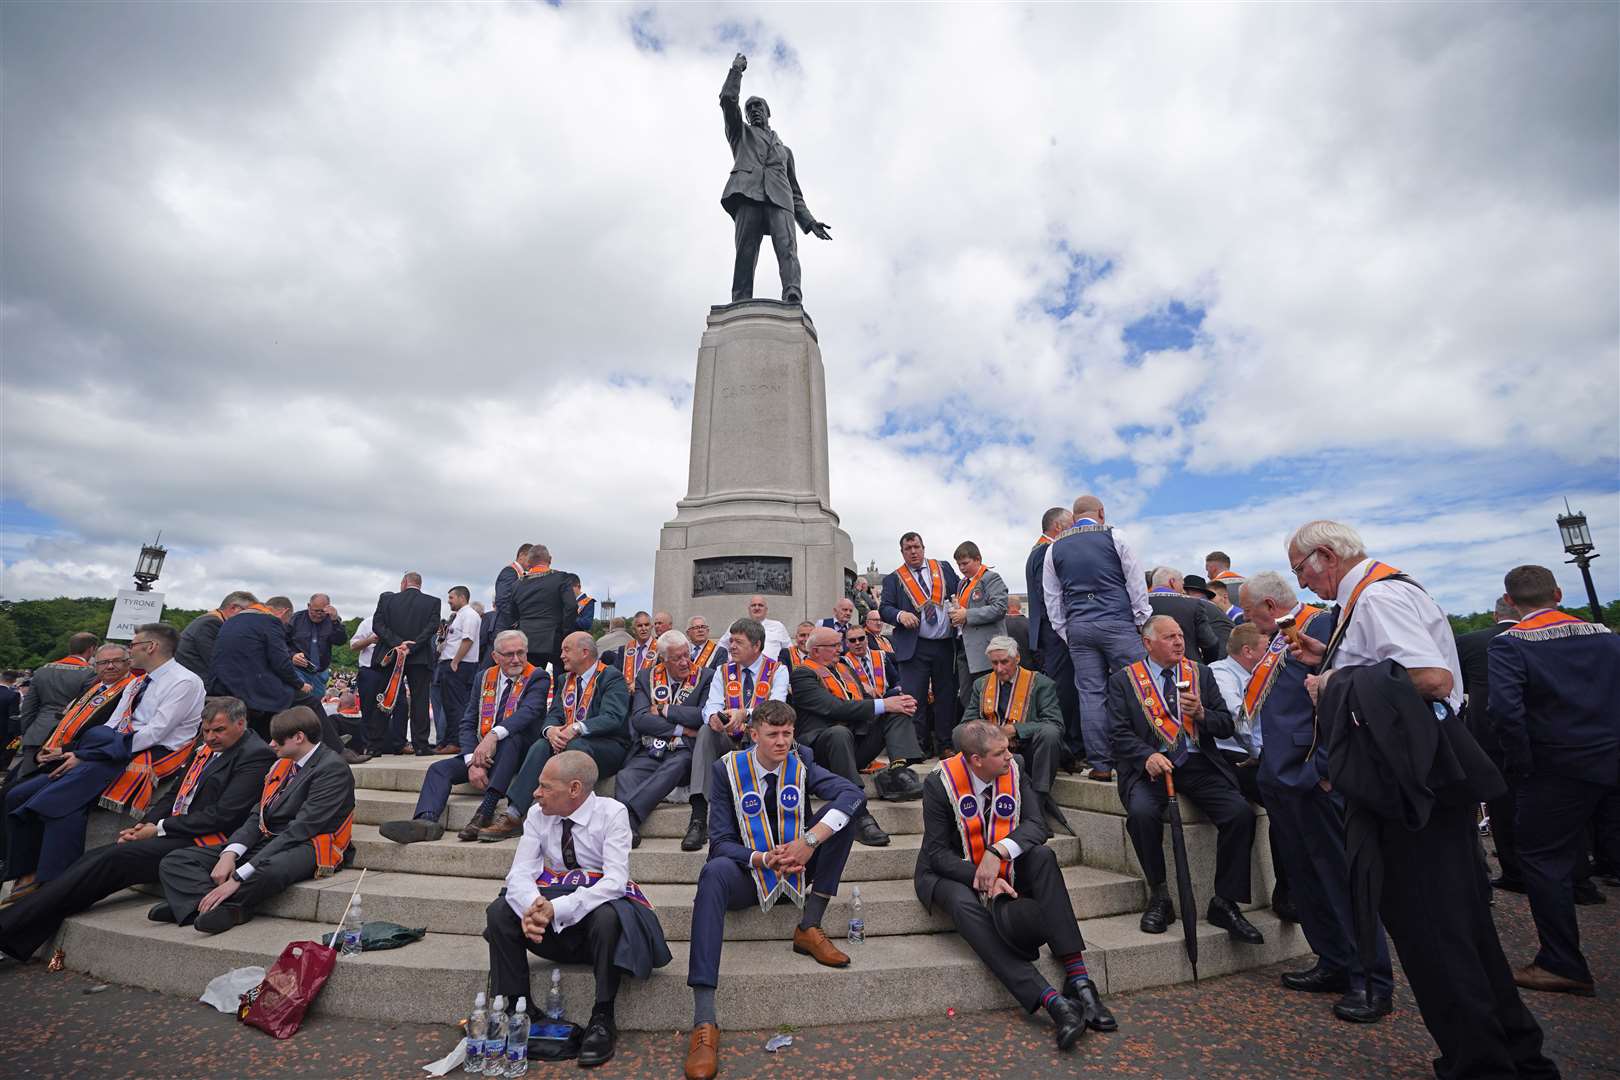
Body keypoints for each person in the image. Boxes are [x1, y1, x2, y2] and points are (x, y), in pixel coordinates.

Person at [1287, 520, 1553, 1078]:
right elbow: (1391, 673)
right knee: (1464, 930)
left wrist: (1332, 684)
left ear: (1327, 555)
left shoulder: (1377, 597)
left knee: (1433, 936)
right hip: (1425, 779)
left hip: (1409, 787)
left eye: (1300, 569)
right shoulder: (1384, 592)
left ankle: (1480, 1065)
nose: (1303, 584)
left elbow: (1429, 678)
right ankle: (1517, 1053)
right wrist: (1330, 660)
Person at [0, 697, 273, 959]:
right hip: (177, 831)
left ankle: (8, 930)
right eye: (207, 730)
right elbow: (173, 794)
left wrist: (158, 829)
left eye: (219, 730)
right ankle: (16, 931)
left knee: (108, 861)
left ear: (241, 723)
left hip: (208, 842)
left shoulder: (255, 755)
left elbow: (224, 815)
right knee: (93, 859)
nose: (211, 737)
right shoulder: (207, 748)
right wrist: (146, 823)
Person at [1238, 571, 1394, 1022]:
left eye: (1250, 612)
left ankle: (1371, 980)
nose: (1248, 620)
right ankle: (1334, 962)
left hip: (1313, 779)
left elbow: (1345, 700)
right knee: (1306, 880)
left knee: (1343, 883)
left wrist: (1325, 770)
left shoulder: (1322, 627)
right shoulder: (1276, 638)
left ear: (1269, 605)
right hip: (1281, 778)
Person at [682, 700, 861, 1080]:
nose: (781, 742)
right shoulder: (726, 769)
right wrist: (763, 858)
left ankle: (808, 925)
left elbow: (851, 793)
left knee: (843, 821)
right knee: (712, 873)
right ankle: (704, 1021)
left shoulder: (802, 759)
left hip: (798, 865)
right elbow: (720, 842)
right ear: (753, 734)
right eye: (772, 734)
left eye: (787, 733)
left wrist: (809, 842)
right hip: (751, 872)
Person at [915, 720, 1115, 1050]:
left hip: (1000, 857)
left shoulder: (1015, 767)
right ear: (975, 760)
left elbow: (1037, 825)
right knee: (962, 903)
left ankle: (1078, 980)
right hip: (952, 871)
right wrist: (984, 878)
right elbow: (937, 853)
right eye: (1000, 753)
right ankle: (1052, 1001)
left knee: (1043, 858)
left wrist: (997, 852)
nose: (1010, 756)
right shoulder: (940, 782)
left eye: (1008, 749)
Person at [484, 750, 671, 1070]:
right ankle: (519, 1007)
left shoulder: (612, 813)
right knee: (500, 911)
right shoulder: (536, 814)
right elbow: (519, 874)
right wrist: (533, 909)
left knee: (608, 914)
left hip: (597, 934)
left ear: (574, 789)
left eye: (545, 786)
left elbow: (614, 882)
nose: (535, 792)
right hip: (551, 928)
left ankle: (602, 1018)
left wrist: (555, 908)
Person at [1489, 564, 1620, 997]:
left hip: (1556, 764)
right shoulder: (1605, 636)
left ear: (1510, 602)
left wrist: (1521, 763)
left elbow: (1506, 711)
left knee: (1544, 859)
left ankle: (1562, 960)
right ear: (1559, 593)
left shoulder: (1511, 643)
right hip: (1610, 754)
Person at [5, 624, 206, 893]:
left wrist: (90, 752)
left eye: (133, 645)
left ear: (151, 647)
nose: (129, 650)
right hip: (114, 748)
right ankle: (23, 868)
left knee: (54, 801)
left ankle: (48, 878)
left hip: (152, 754)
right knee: (18, 795)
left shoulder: (185, 681)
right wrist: (85, 751)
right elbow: (112, 724)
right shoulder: (138, 681)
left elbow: (156, 733)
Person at [1107, 615, 1262, 945]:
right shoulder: (1125, 680)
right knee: (1143, 815)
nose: (1179, 642)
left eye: (1180, 636)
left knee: (1239, 813)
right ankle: (1160, 895)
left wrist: (1203, 715)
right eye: (1169, 637)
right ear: (1148, 643)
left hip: (1196, 760)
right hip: (1151, 764)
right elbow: (1117, 733)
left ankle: (1225, 900)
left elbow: (1225, 725)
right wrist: (1144, 756)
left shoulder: (1199, 674)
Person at [156, 705, 355, 933]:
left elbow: (303, 827)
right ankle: (204, 906)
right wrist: (230, 853)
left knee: (270, 870)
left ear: (299, 737)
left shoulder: (332, 768)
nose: (271, 745)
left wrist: (239, 875)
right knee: (176, 860)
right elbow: (257, 814)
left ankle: (204, 905)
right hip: (271, 836)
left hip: (311, 842)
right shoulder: (282, 762)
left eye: (278, 740)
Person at [380, 631, 550, 845]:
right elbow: (468, 721)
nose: (516, 659)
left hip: (519, 750)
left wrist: (493, 736)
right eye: (509, 654)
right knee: (438, 769)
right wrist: (471, 761)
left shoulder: (538, 676)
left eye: (520, 653)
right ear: (496, 657)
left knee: (510, 739)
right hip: (484, 753)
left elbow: (529, 712)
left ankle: (485, 812)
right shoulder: (484, 677)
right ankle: (425, 822)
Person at [480, 632, 631, 843]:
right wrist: (551, 730)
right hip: (569, 742)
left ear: (585, 652)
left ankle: (568, 817)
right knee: (541, 745)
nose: (561, 656)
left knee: (576, 746)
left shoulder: (611, 676)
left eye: (566, 650)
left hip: (607, 746)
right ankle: (514, 814)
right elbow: (555, 714)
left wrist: (576, 728)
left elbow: (613, 717)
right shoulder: (564, 679)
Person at [1043, 496, 1151, 782]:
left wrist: (1066, 631)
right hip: (1118, 622)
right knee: (1140, 685)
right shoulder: (1116, 536)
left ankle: (1101, 764)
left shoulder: (1054, 547)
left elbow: (1052, 598)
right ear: (1101, 513)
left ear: (1075, 517)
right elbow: (1135, 582)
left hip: (1079, 627)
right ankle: (1150, 754)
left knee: (1091, 694)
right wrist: (1141, 621)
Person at [718, 52, 832, 306]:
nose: (754, 111)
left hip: (780, 200)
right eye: (749, 109)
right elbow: (727, 100)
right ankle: (740, 301)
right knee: (745, 253)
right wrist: (736, 70)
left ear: (769, 112)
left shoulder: (785, 151)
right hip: (748, 195)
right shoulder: (741, 134)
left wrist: (809, 221)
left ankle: (792, 294)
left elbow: (795, 191)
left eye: (758, 107)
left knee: (788, 249)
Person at [790, 626, 921, 846]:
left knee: (897, 710)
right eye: (833, 646)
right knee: (840, 732)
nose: (839, 650)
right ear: (815, 651)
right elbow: (832, 708)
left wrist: (892, 705)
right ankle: (858, 813)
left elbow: (860, 703)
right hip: (823, 752)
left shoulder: (844, 669)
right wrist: (882, 704)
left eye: (838, 645)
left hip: (853, 744)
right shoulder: (802, 674)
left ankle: (898, 771)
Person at [210, 593, 359, 763]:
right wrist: (299, 684)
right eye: (285, 622)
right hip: (250, 685)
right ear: (283, 613)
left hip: (224, 684)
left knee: (270, 709)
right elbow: (280, 662)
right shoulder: (270, 621)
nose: (285, 626)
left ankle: (268, 756)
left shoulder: (233, 621)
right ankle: (338, 751)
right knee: (309, 702)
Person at [682, 618, 788, 853]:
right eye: (731, 641)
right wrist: (713, 718)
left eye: (738, 642)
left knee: (770, 730)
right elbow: (711, 704)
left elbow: (777, 707)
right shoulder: (723, 670)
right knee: (705, 730)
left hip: (759, 742)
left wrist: (745, 714)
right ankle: (699, 817)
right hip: (728, 739)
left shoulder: (777, 670)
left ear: (757, 645)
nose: (731, 647)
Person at [1208, 623, 1291, 919]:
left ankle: (1290, 888)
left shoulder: (1265, 674)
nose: (1269, 654)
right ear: (1247, 651)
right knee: (1276, 796)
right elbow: (1237, 717)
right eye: (1264, 649)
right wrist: (1262, 755)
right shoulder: (1221, 673)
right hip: (1231, 756)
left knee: (1291, 800)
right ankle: (1282, 894)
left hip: (1261, 755)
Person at [615, 631, 717, 847]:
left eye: (686, 655)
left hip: (684, 753)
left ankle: (628, 818)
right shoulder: (646, 677)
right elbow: (641, 719)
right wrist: (682, 728)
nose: (685, 662)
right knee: (626, 775)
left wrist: (664, 709)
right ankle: (630, 829)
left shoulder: (706, 676)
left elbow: (701, 714)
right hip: (651, 748)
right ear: (663, 659)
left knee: (675, 765)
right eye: (677, 658)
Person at [961, 636, 1071, 833]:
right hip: (992, 752)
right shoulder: (981, 684)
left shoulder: (1041, 683)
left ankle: (1038, 799)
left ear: (1017, 658)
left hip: (1030, 749)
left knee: (1050, 733)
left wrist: (1016, 730)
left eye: (1004, 662)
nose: (999, 668)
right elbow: (967, 722)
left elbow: (1055, 723)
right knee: (958, 733)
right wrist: (991, 734)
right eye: (994, 663)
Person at [1458, 595, 1528, 891]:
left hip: (1488, 732)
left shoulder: (1472, 641)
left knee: (1501, 802)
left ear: (1495, 615)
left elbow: (1457, 684)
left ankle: (1514, 870)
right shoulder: (1534, 638)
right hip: (1541, 732)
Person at [880, 532, 962, 757]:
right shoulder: (894, 578)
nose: (913, 551)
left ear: (923, 548)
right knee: (914, 698)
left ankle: (945, 744)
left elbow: (958, 594)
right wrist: (899, 615)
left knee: (946, 696)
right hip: (914, 647)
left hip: (945, 644)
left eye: (916, 547)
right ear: (902, 552)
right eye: (908, 548)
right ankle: (917, 745)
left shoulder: (943, 568)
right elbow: (884, 608)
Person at [11, 644, 134, 783]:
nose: (110, 666)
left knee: (18, 793)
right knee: (13, 789)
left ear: (129, 663)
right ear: (92, 653)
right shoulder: (92, 683)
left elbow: (29, 707)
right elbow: (68, 718)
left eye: (116, 661)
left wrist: (26, 732)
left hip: (72, 755)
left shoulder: (131, 689)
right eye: (104, 662)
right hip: (49, 745)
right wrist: (42, 750)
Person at [1027, 507, 1084, 764]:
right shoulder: (1047, 551)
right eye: (1072, 524)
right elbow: (1048, 595)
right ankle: (1066, 747)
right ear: (1059, 527)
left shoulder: (1038, 551)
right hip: (1055, 633)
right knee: (1063, 691)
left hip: (1050, 633)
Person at [371, 572, 442, 757]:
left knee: (384, 696)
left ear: (404, 583)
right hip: (419, 656)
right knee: (420, 700)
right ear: (420, 584)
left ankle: (374, 745)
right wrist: (412, 645)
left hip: (392, 654)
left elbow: (377, 625)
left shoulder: (387, 601)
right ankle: (421, 745)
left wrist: (397, 643)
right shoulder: (433, 602)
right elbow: (432, 628)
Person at [13, 632, 99, 774]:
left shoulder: (43, 670)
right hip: (67, 738)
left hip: (37, 732)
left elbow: (29, 707)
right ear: (91, 649)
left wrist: (27, 731)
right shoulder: (90, 673)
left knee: (23, 780)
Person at [950, 540, 1009, 710]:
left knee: (991, 698)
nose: (961, 568)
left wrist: (967, 615)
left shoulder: (991, 578)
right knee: (968, 699)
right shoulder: (962, 583)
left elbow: (999, 608)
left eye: (965, 563)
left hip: (987, 651)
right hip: (964, 649)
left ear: (978, 559)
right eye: (958, 564)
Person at [500, 546, 574, 677]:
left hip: (527, 640)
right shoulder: (562, 578)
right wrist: (566, 632)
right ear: (550, 559)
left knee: (528, 681)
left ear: (528, 562)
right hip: (555, 639)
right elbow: (571, 607)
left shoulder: (517, 584)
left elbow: (513, 614)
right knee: (563, 681)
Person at [432, 586, 483, 750]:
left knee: (457, 705)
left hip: (460, 664)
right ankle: (448, 740)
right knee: (448, 704)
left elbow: (468, 640)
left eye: (451, 597)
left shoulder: (469, 615)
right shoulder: (456, 616)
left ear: (462, 597)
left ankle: (457, 742)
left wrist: (456, 661)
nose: (449, 601)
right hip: (449, 663)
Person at [1148, 568, 1222, 663]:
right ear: (1172, 582)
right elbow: (1210, 643)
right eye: (1182, 585)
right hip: (1188, 668)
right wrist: (1205, 665)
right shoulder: (1193, 604)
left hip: (1146, 669)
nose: (1183, 590)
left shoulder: (1139, 604)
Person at [175, 593, 252, 679]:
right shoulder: (211, 624)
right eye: (249, 613)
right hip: (193, 682)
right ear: (233, 608)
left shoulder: (211, 620)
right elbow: (219, 662)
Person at [288, 594, 344, 697]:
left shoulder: (332, 620)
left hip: (320, 674)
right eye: (315, 610)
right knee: (300, 698)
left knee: (315, 704)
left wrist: (335, 621)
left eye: (322, 611)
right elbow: (281, 642)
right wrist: (292, 656)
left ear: (328, 608)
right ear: (308, 606)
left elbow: (340, 641)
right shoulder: (295, 619)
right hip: (298, 669)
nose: (318, 614)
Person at [839, 621, 896, 699]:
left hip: (887, 698)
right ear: (847, 643)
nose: (857, 643)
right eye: (852, 640)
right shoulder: (843, 662)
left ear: (867, 639)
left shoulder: (882, 656)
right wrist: (861, 685)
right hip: (864, 703)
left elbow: (895, 680)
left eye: (861, 638)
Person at [608, 611, 657, 684]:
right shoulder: (624, 649)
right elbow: (616, 675)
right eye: (639, 626)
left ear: (651, 627)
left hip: (648, 691)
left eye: (646, 625)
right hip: (625, 691)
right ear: (634, 630)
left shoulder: (660, 648)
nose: (644, 628)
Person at [494, 543, 533, 622]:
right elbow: (502, 601)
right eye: (531, 559)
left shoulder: (520, 573)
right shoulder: (509, 572)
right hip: (507, 626)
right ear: (521, 555)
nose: (532, 564)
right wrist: (517, 621)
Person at [1004, 595, 1034, 670]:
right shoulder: (1031, 624)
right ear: (1020, 606)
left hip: (1005, 669)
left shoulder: (1000, 625)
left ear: (1006, 607)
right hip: (1028, 670)